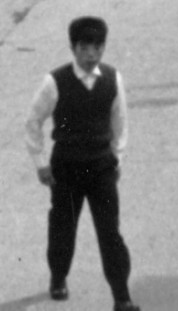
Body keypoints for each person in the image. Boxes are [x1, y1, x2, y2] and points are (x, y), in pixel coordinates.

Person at [25, 16, 138, 310]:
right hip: (67, 168)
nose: (91, 55)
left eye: (98, 47)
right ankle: (58, 277)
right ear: (73, 48)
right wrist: (40, 163)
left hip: (101, 168)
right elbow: (33, 121)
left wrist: (117, 157)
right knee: (63, 228)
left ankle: (121, 297)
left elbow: (120, 122)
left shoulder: (113, 79)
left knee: (110, 233)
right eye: (85, 47)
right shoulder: (55, 82)